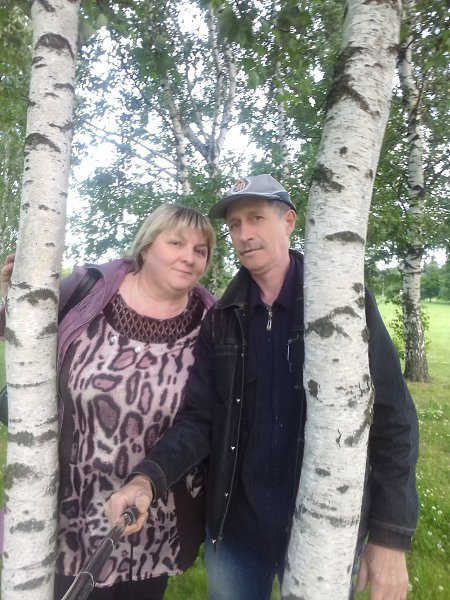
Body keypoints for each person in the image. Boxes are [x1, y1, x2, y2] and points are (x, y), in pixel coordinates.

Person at [106, 175, 419, 600]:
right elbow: (201, 419)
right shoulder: (222, 319)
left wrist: (390, 536)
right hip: (236, 533)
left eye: (256, 218)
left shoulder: (342, 305)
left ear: (288, 222)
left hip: (322, 530)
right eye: (235, 224)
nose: (244, 234)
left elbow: (393, 417)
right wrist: (147, 479)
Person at [0, 203, 216, 600]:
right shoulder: (89, 290)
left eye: (200, 250)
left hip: (150, 513)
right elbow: (20, 333)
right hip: (68, 508)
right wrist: (16, 294)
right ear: (147, 246)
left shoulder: (212, 323)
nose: (189, 257)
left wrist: (150, 480)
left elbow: (205, 419)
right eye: (177, 243)